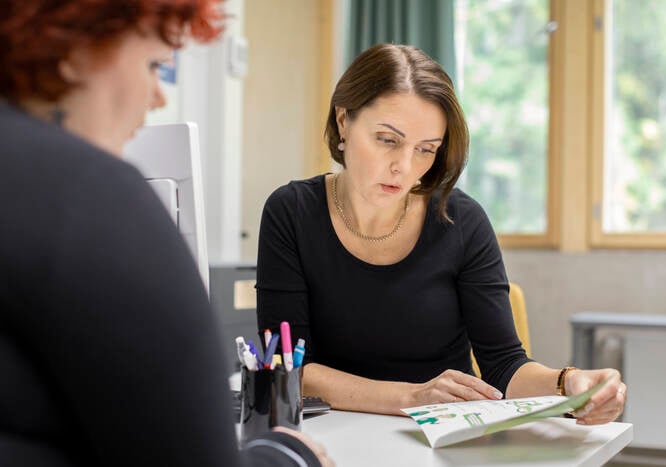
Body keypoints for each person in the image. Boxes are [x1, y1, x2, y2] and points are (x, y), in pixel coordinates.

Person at [0, 1, 332, 465]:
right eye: (154, 64)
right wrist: (291, 455)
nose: (158, 96)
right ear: (74, 48)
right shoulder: (92, 194)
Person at [256, 43, 626, 425]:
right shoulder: (291, 212)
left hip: (439, 439)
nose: (404, 166)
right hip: (334, 435)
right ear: (344, 120)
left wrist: (569, 384)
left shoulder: (462, 221)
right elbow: (286, 367)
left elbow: (503, 366)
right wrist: (412, 396)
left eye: (426, 149)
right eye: (387, 140)